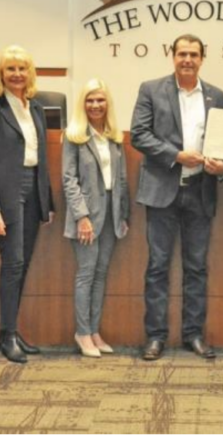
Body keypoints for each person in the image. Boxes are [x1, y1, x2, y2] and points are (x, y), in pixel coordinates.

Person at [130, 34, 223, 361]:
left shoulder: (219, 96)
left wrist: (221, 167)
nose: (187, 59)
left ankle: (193, 335)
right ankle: (156, 337)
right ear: (172, 56)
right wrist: (176, 155)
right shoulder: (150, 89)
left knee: (197, 267)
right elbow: (139, 134)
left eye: (194, 54)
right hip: (162, 191)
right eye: (182, 54)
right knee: (158, 266)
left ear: (203, 58)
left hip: (201, 192)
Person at [0, 45, 55, 363]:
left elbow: (43, 157)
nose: (17, 74)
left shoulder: (35, 109)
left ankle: (11, 329)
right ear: (1, 74)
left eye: (22, 68)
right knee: (12, 265)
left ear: (30, 73)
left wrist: (46, 200)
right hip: (7, 194)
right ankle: (7, 336)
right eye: (11, 68)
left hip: (33, 191)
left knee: (22, 266)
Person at [62, 78, 129, 358]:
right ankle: (82, 332)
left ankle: (94, 331)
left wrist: (123, 215)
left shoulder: (115, 137)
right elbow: (69, 179)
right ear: (83, 105)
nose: (95, 105)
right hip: (87, 218)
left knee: (100, 276)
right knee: (86, 275)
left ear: (107, 103)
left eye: (100, 100)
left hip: (111, 217)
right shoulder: (74, 135)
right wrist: (82, 217)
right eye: (90, 100)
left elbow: (122, 179)